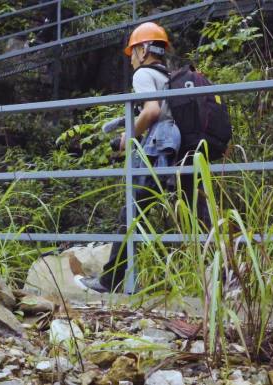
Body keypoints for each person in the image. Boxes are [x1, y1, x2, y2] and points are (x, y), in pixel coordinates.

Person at [77, 22, 181, 293]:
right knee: (168, 214)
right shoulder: (167, 75)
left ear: (144, 49)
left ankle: (109, 282)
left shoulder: (144, 74)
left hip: (156, 151)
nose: (132, 59)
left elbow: (151, 112)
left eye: (133, 52)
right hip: (175, 149)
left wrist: (129, 137)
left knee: (132, 212)